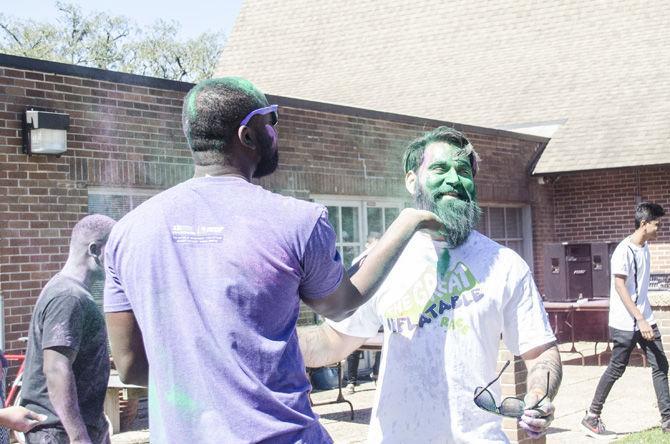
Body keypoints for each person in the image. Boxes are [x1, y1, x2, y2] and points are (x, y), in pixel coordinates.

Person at [103, 77, 443, 443]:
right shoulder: (298, 220)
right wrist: (410, 221)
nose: (276, 132)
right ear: (247, 135)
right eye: (272, 122)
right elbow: (341, 304)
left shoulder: (128, 233)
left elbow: (130, 365)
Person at [299, 126, 563, 443]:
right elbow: (332, 341)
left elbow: (542, 354)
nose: (454, 178)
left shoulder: (506, 265)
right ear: (412, 180)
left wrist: (539, 392)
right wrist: (256, 341)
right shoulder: (381, 262)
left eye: (463, 170)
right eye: (439, 168)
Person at [21, 214, 116, 444]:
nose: (120, 258)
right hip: (57, 433)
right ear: (95, 250)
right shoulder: (68, 296)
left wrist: (97, 423)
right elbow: (56, 369)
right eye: (114, 249)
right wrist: (79, 436)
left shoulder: (72, 292)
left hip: (68, 429)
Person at [582, 202, 667, 438]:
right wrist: (639, 319)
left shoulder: (646, 246)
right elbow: (620, 286)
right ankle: (592, 416)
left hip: (644, 317)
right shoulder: (623, 251)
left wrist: (644, 318)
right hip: (627, 322)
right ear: (644, 224)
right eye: (656, 224)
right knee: (617, 368)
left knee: (661, 365)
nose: (659, 228)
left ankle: (668, 420)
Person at [345, 232, 381, 394]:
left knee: (382, 344)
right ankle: (351, 381)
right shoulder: (359, 260)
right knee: (355, 345)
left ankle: (377, 376)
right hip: (360, 308)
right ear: (368, 245)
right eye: (374, 244)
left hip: (376, 307)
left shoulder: (384, 258)